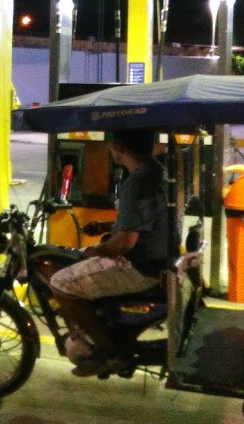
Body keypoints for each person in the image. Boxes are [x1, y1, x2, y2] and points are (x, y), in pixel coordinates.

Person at [49, 129, 172, 376]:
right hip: (158, 258)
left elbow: (124, 243)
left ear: (120, 147)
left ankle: (106, 351)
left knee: (60, 282)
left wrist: (96, 250)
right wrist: (107, 227)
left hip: (138, 266)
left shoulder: (135, 183)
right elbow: (143, 220)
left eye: (112, 144)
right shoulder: (157, 171)